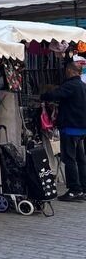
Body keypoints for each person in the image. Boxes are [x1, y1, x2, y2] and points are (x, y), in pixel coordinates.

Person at [41, 59, 86, 202]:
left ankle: (74, 189)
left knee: (69, 159)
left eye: (66, 70)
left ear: (70, 71)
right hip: (81, 128)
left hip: (70, 128)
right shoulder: (83, 86)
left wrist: (43, 96)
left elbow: (54, 94)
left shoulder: (71, 85)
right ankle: (83, 188)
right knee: (81, 159)